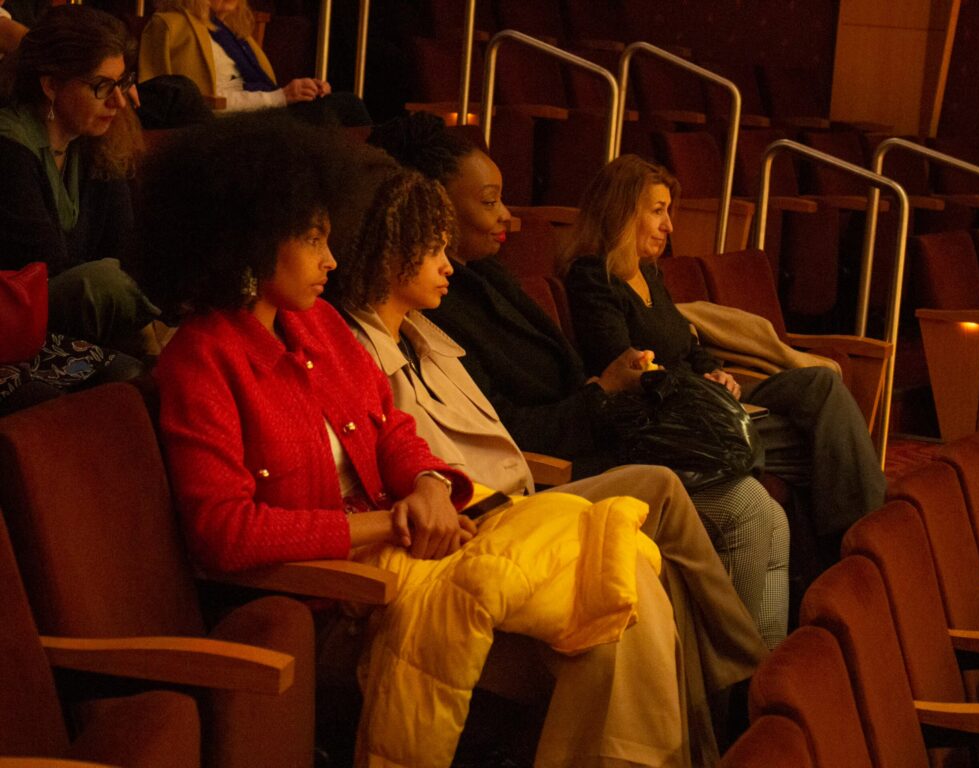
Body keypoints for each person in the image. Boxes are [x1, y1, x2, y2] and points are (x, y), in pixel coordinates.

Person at [139, 112, 695, 768]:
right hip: (335, 606)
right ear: (254, 240)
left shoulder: (316, 324)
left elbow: (392, 428)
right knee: (604, 637)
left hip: (411, 564)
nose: (332, 260)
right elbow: (225, 533)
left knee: (619, 598)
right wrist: (389, 524)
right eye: (314, 240)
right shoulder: (200, 362)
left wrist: (430, 484)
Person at [330, 165, 769, 763]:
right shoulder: (357, 352)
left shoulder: (428, 336)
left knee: (652, 545)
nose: (450, 266)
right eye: (434, 250)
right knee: (641, 565)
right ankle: (742, 689)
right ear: (391, 254)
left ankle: (727, 704)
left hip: (522, 495)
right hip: (492, 515)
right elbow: (414, 464)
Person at [370, 112, 790, 651]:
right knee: (750, 513)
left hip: (601, 441)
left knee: (768, 509)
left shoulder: (487, 275)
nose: (508, 217)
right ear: (435, 207)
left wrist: (616, 388)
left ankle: (767, 678)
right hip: (557, 470)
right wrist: (604, 391)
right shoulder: (434, 309)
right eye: (489, 201)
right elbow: (504, 435)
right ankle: (747, 682)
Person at [561, 154, 887, 548]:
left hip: (706, 398)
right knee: (822, 445)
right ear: (622, 212)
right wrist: (701, 388)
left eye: (669, 211)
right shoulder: (593, 277)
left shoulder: (648, 271)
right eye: (658, 211)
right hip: (671, 419)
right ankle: (865, 543)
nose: (669, 226)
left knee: (819, 384)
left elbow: (688, 343)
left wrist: (716, 373)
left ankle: (860, 539)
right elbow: (627, 366)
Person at [0, 5, 158, 352]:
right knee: (103, 285)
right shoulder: (9, 148)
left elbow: (124, 243)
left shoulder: (95, 140)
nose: (118, 101)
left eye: (121, 84)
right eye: (102, 86)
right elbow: (45, 268)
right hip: (23, 314)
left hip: (81, 309)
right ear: (52, 85)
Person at [138, 0, 368, 125]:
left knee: (344, 103)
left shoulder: (236, 34)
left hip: (264, 116)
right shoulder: (170, 26)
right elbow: (169, 102)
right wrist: (281, 97)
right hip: (228, 126)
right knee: (341, 110)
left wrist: (304, 91)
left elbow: (268, 88)